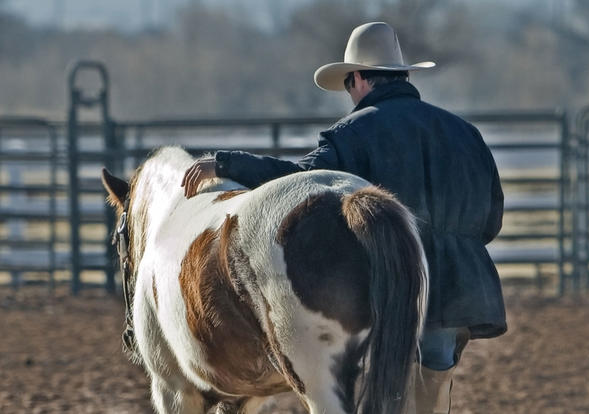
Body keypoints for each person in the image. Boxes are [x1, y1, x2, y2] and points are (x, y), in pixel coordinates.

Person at [181, 21, 506, 414]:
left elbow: (295, 186)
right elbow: (491, 220)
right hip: (457, 290)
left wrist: (227, 163)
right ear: (402, 75)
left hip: (383, 289)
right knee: (432, 393)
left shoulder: (352, 134)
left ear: (358, 79)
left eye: (348, 85)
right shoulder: (465, 133)